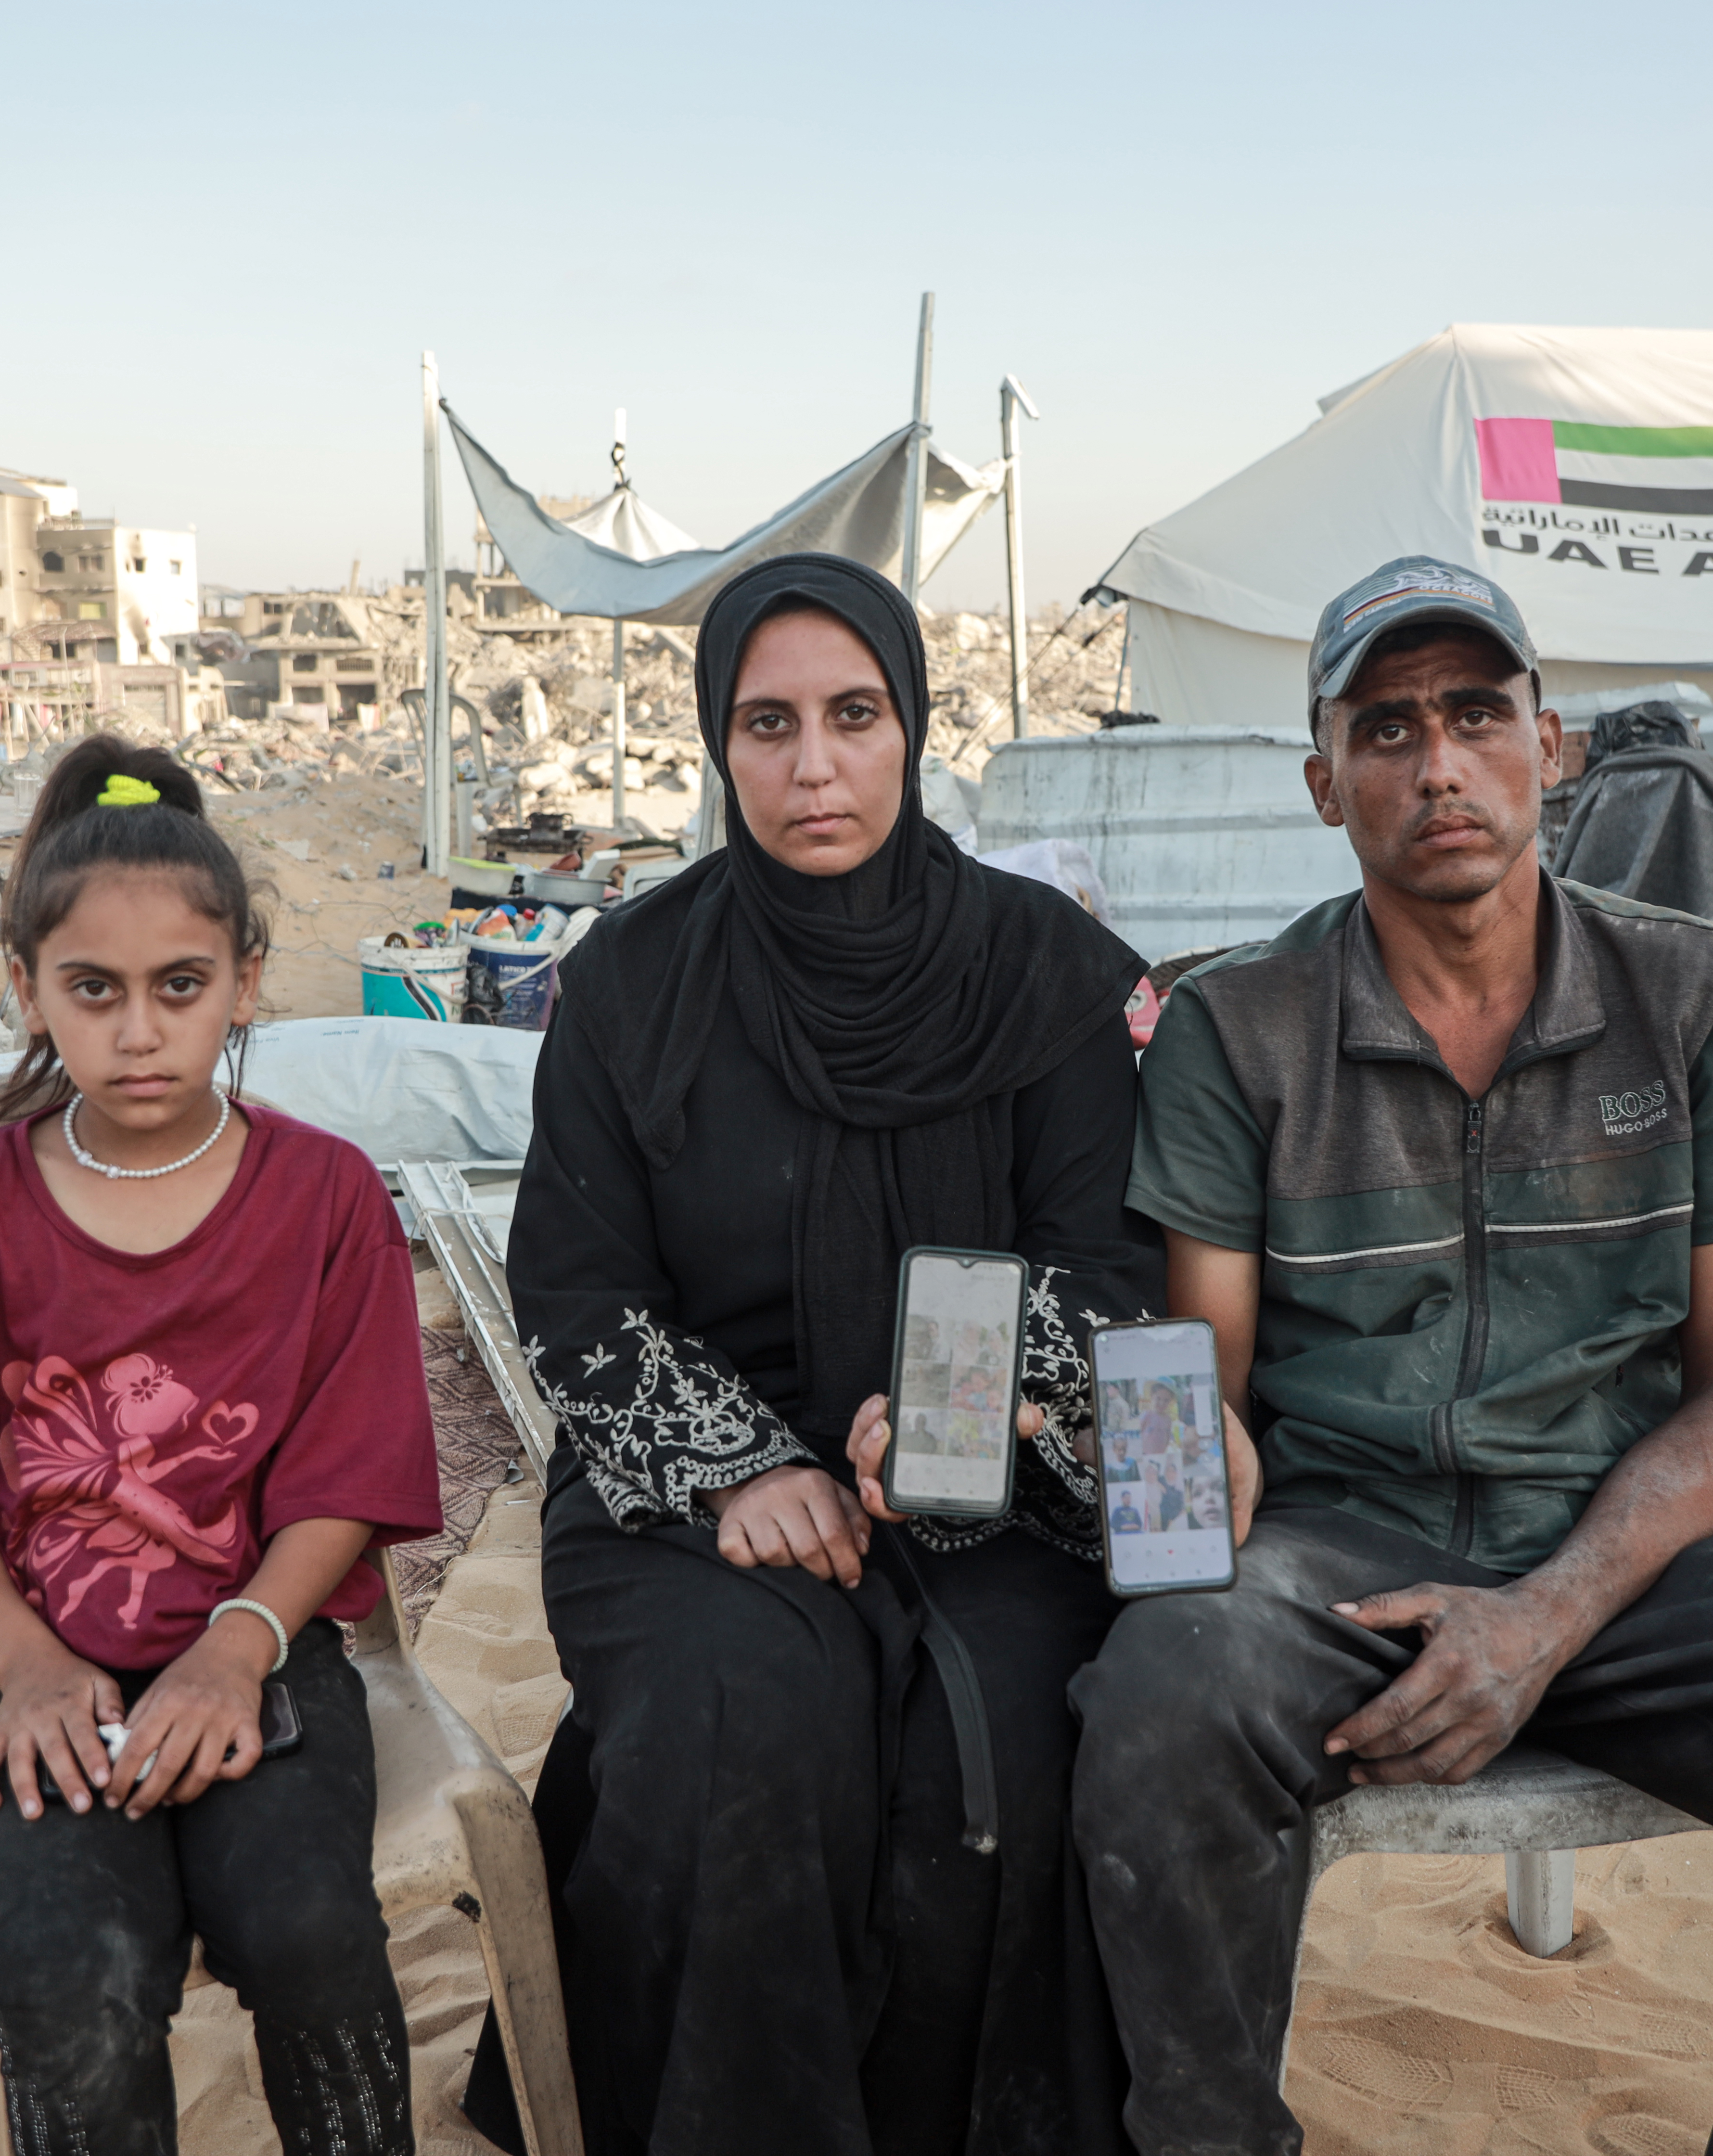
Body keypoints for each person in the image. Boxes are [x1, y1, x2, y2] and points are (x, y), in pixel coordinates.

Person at [1071, 559, 1713, 2156]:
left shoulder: (1701, 997)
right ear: (1325, 786)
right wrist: (1184, 1473)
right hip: (1340, 1551)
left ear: (1552, 746)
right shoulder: (1235, 1029)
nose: (1437, 763)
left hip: (1648, 1555)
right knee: (1156, 1705)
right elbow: (1207, 1379)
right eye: (1385, 729)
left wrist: (1543, 1616)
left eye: (1476, 714)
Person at [460, 554, 1180, 2156]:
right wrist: (746, 1466)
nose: (813, 767)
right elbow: (575, 1291)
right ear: (719, 748)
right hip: (691, 1494)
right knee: (749, 1703)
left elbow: (1118, 1280)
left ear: (913, 727)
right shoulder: (634, 986)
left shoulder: (1051, 976)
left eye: (853, 717)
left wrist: (955, 1425)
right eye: (766, 724)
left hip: (997, 1489)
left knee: (994, 1717)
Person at [0, 736, 442, 2154]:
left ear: (243, 980)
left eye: (182, 988)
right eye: (91, 992)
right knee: (76, 1976)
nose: (140, 1032)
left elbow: (349, 1474)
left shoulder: (326, 1196)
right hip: (37, 1671)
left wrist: (237, 1649)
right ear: (25, 988)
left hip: (267, 1652)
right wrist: (31, 1668)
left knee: (303, 1927)